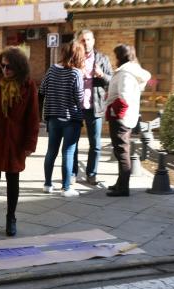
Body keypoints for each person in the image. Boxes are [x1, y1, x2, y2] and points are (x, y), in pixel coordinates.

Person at [0, 46, 39, 237]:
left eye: (9, 67)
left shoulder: (27, 85)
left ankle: (11, 218)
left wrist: (29, 144)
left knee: (13, 181)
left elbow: (33, 117)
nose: (5, 70)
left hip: (15, 140)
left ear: (18, 67)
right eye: (2, 66)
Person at [39, 41, 85, 198]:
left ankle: (47, 184)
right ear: (78, 56)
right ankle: (66, 188)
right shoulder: (76, 73)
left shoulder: (52, 70)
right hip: (71, 119)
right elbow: (79, 98)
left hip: (53, 118)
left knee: (51, 151)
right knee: (68, 152)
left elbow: (42, 90)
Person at [105, 44, 151, 197]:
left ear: (120, 56)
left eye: (115, 55)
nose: (114, 58)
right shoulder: (131, 70)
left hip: (121, 118)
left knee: (122, 153)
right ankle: (120, 183)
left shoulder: (125, 73)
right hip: (126, 116)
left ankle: (123, 187)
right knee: (121, 151)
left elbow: (124, 97)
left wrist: (114, 112)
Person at [72, 30, 113, 186]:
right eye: (83, 40)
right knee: (72, 143)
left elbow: (111, 80)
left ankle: (91, 174)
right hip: (75, 106)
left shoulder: (102, 58)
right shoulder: (74, 58)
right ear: (79, 42)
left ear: (93, 41)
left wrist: (101, 74)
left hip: (95, 106)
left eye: (88, 40)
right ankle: (72, 173)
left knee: (95, 144)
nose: (86, 43)